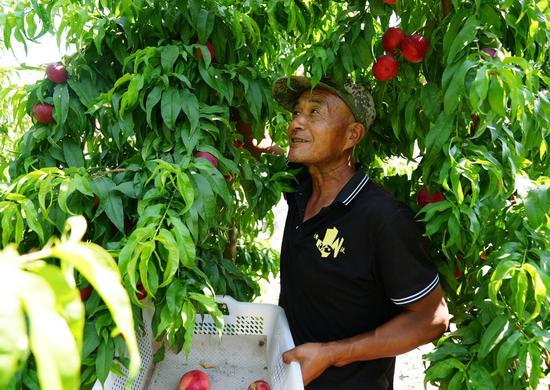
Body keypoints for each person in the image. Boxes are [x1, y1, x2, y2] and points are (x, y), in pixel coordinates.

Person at [271, 76, 450, 389]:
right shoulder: (301, 185)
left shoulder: (382, 219)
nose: (296, 123)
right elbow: (265, 151)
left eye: (314, 113)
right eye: (295, 113)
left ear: (352, 135)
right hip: (289, 376)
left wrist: (333, 354)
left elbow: (432, 319)